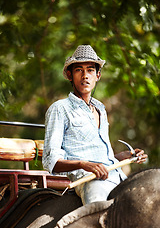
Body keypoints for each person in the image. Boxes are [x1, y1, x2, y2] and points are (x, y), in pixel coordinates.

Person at [42, 45, 147, 205]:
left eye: (90, 70)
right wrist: (84, 164)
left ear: (97, 75)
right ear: (70, 75)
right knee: (98, 216)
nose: (85, 76)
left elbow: (102, 159)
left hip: (117, 176)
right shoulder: (59, 109)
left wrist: (124, 157)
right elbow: (51, 161)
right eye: (79, 70)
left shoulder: (101, 109)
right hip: (89, 181)